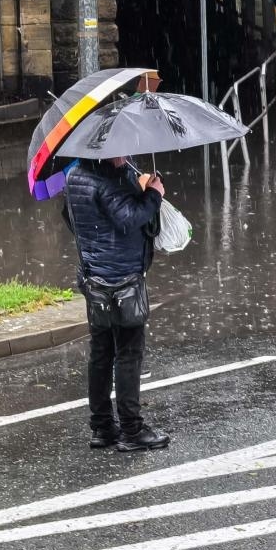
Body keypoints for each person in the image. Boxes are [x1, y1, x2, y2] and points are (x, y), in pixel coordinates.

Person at [64, 156, 171, 453]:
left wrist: (132, 179)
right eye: (120, 150)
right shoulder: (106, 180)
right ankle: (131, 430)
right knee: (128, 354)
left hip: (93, 277)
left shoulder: (75, 176)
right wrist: (153, 194)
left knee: (101, 352)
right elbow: (128, 218)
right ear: (102, 148)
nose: (125, 155)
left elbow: (72, 217)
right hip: (121, 280)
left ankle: (101, 427)